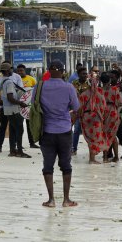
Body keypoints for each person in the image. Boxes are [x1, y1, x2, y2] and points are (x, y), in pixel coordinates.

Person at [32, 60, 79, 208]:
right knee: (66, 165)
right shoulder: (69, 87)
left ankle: (51, 200)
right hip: (64, 131)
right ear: (62, 71)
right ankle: (66, 200)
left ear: (49, 70)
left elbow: (34, 103)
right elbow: (76, 107)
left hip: (46, 131)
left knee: (48, 165)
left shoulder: (39, 86)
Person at [1, 63, 31, 158]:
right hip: (13, 109)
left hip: (7, 109)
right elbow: (10, 98)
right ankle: (20, 151)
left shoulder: (3, 80)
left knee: (13, 129)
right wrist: (20, 103)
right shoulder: (9, 82)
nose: (12, 71)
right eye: (10, 69)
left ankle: (12, 150)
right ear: (6, 71)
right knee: (19, 129)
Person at [0, 61, 24, 153]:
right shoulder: (4, 80)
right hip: (12, 107)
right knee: (8, 127)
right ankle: (0, 146)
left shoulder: (16, 77)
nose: (12, 70)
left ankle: (13, 147)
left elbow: (20, 90)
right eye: (10, 68)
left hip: (8, 106)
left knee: (12, 127)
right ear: (8, 70)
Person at [79, 76, 107, 164]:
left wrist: (81, 117)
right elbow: (103, 107)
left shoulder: (83, 94)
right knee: (95, 138)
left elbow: (80, 108)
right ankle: (92, 159)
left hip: (86, 117)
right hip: (97, 118)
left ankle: (92, 158)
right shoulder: (100, 94)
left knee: (90, 139)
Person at [101, 72, 122, 162]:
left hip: (103, 113)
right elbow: (118, 102)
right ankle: (116, 157)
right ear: (109, 80)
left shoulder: (99, 90)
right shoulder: (114, 89)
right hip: (113, 112)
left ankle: (105, 157)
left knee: (104, 135)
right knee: (113, 136)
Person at [17, 64, 39, 149]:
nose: (20, 72)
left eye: (21, 70)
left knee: (30, 125)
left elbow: (36, 90)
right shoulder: (16, 79)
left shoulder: (31, 79)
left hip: (29, 106)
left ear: (24, 70)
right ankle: (19, 144)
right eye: (18, 71)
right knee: (19, 126)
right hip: (19, 105)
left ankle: (32, 143)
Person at [71, 67, 90, 155]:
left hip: (88, 110)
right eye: (83, 74)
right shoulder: (74, 83)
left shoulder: (89, 84)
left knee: (90, 130)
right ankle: (73, 148)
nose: (85, 75)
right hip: (77, 110)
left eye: (86, 73)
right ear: (78, 75)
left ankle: (92, 150)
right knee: (77, 130)